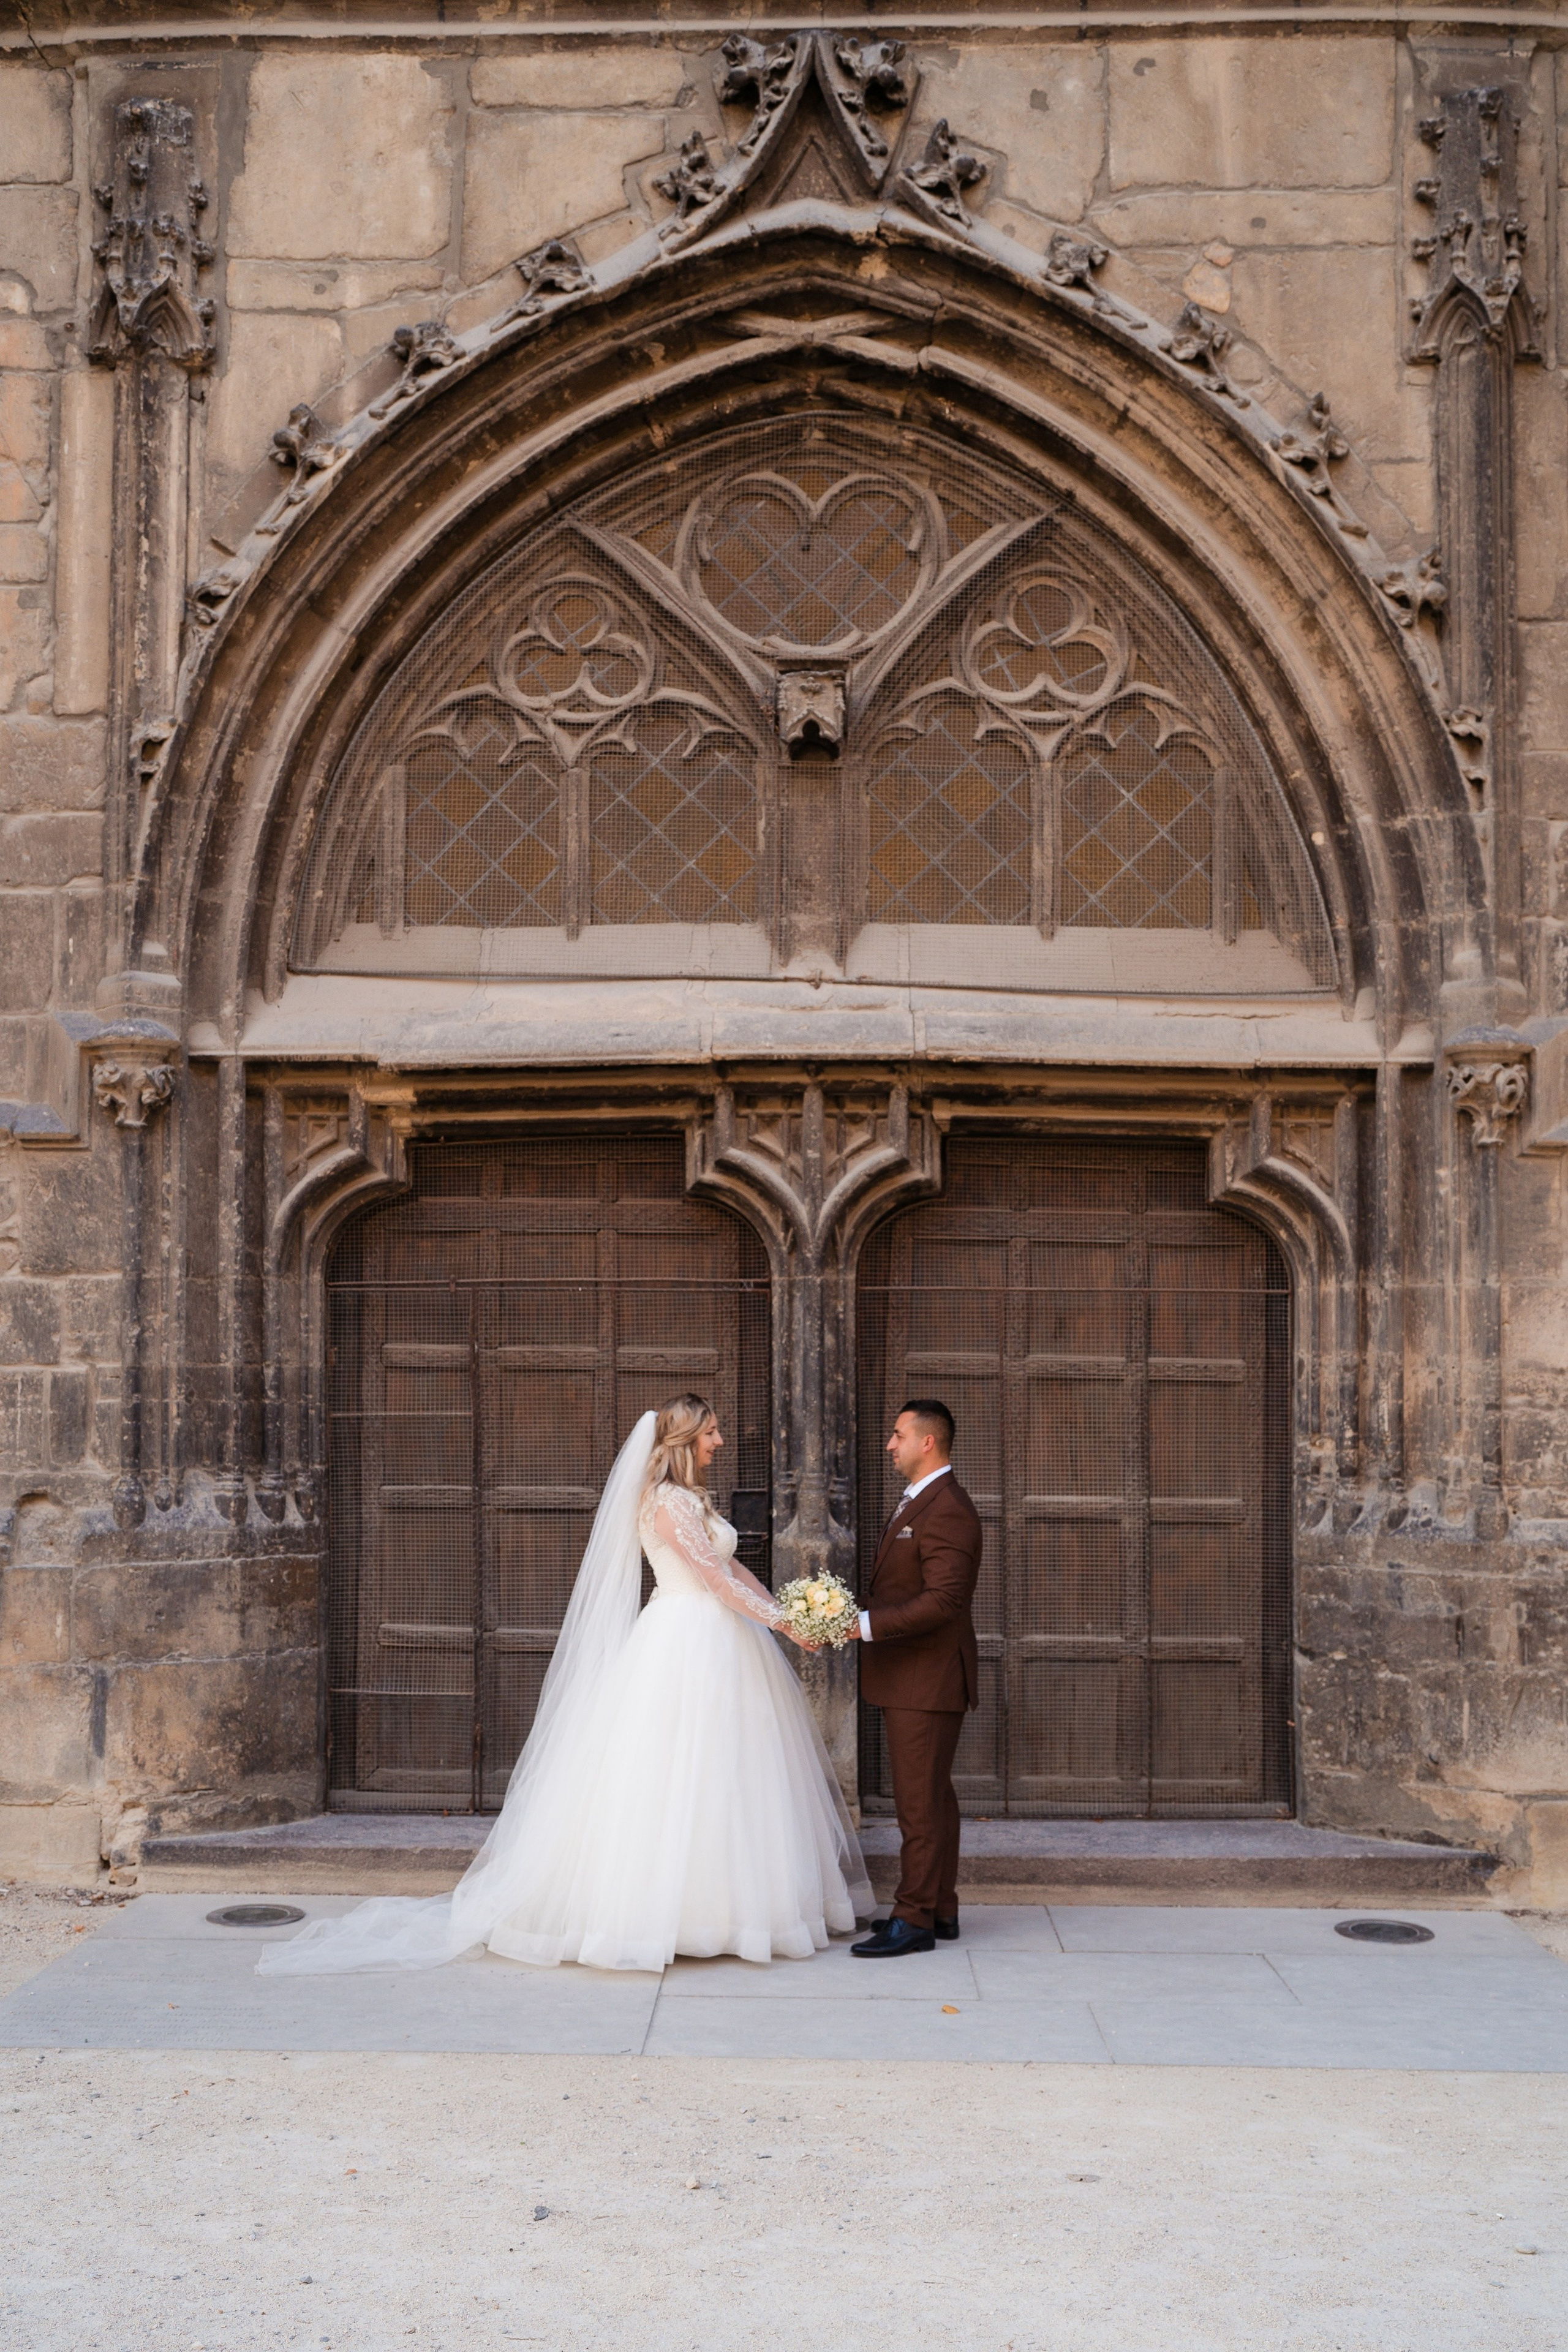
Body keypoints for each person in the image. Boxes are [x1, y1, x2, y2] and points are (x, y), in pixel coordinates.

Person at [259, 1395, 870, 1976]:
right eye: (711, 1432)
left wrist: (786, 1616)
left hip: (723, 1640)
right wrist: (786, 1623)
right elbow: (710, 1577)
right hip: (684, 1637)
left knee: (730, 1772)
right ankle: (664, 1917)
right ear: (686, 1439)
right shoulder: (666, 1503)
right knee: (674, 1773)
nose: (719, 1441)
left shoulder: (694, 1500)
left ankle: (736, 1912)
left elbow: (733, 1567)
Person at [846, 1398, 983, 1958]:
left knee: (919, 1805)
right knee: (933, 1800)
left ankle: (914, 1919)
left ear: (928, 1442)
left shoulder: (947, 1506)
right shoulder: (921, 1501)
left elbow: (944, 1601)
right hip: (911, 1676)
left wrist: (864, 1625)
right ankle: (939, 1908)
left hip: (927, 1680)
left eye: (897, 1434)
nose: (889, 1444)